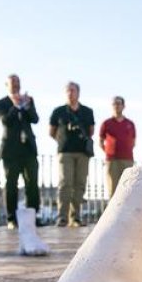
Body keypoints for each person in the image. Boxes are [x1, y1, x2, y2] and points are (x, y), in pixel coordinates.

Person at [0, 74, 40, 228]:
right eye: (12, 82)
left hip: (28, 149)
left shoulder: (28, 100)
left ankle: (33, 216)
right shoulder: (2, 102)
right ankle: (11, 218)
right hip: (10, 150)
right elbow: (5, 121)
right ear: (6, 85)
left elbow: (35, 119)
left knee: (32, 183)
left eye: (17, 82)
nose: (15, 85)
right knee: (11, 184)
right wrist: (15, 106)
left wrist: (26, 106)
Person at [50, 81, 94, 227]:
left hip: (82, 152)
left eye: (73, 90)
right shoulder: (58, 111)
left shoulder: (87, 111)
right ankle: (62, 217)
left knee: (80, 184)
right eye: (68, 91)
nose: (70, 93)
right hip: (65, 152)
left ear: (78, 93)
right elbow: (52, 132)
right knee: (65, 183)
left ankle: (76, 217)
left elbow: (91, 131)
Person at [99, 96, 136, 199]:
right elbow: (101, 141)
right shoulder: (106, 123)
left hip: (127, 159)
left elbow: (133, 141)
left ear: (123, 106)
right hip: (112, 160)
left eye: (119, 103)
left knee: (128, 189)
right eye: (114, 104)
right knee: (113, 190)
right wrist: (108, 152)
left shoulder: (130, 124)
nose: (117, 106)